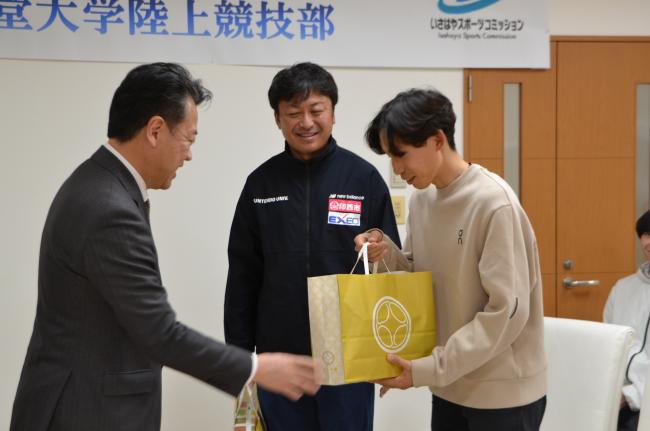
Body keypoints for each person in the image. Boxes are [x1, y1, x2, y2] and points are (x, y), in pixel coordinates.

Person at [10, 63, 321, 431]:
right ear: (155, 130)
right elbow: (159, 332)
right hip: (87, 409)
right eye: (189, 139)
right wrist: (256, 367)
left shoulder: (99, 183)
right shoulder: (109, 208)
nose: (188, 155)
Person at [354, 88, 547, 431]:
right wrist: (383, 251)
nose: (396, 169)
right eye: (390, 157)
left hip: (502, 396)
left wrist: (432, 368)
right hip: (449, 386)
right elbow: (418, 276)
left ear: (437, 140)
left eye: (401, 154)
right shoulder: (422, 201)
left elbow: (506, 311)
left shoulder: (493, 202)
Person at [224, 62, 400, 431]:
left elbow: (391, 268)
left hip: (350, 356)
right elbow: (242, 274)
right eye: (294, 112)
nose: (306, 122)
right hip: (279, 357)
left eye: (316, 110)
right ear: (278, 119)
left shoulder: (363, 178)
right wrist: (240, 357)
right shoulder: (260, 184)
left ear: (333, 113)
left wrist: (379, 247)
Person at [604, 209, 650, 431]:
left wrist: (632, 394)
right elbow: (607, 345)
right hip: (617, 395)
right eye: (646, 234)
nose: (649, 242)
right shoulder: (622, 289)